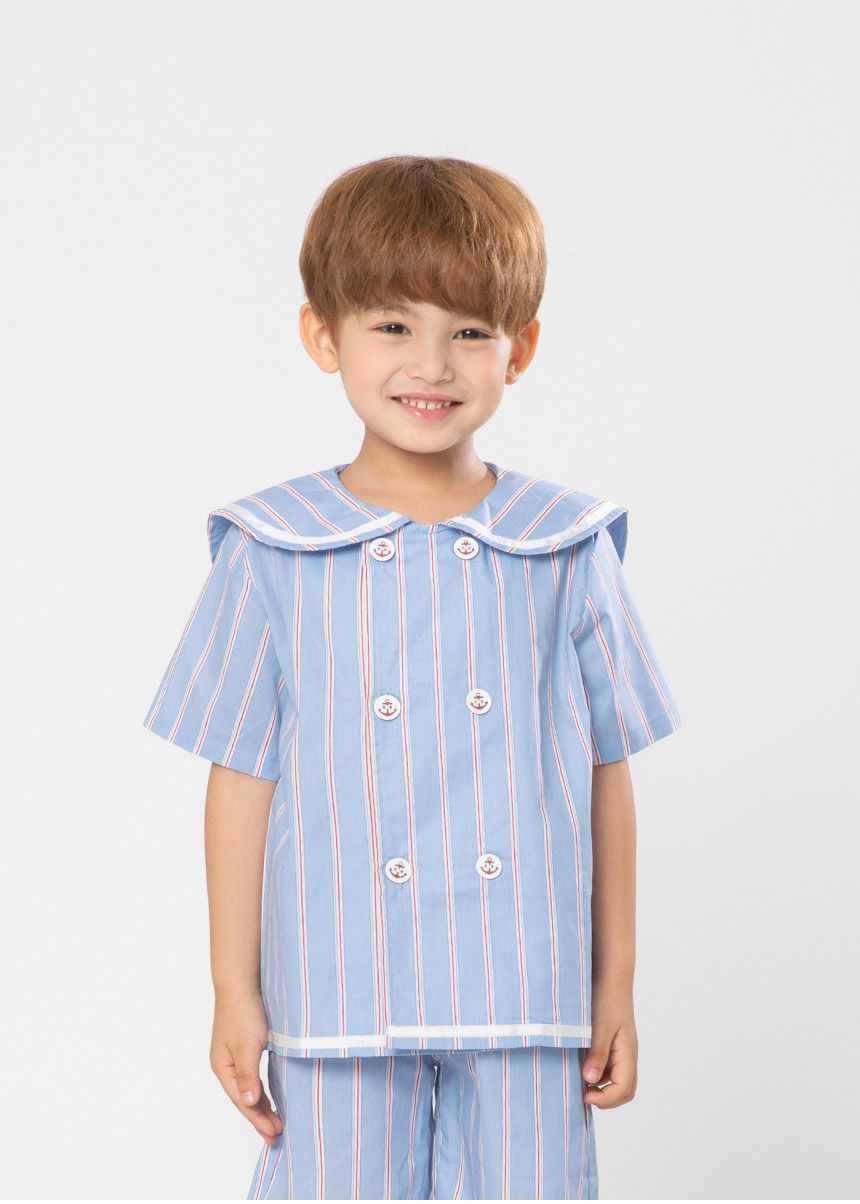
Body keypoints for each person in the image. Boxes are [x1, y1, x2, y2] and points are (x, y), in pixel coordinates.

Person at [143, 154, 682, 1201]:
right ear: (323, 336)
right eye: (392, 325)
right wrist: (232, 988)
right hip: (338, 978)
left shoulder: (565, 542)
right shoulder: (272, 546)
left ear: (520, 349)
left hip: (526, 979)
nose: (430, 364)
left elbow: (605, 772)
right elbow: (240, 779)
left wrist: (613, 983)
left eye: (470, 331)